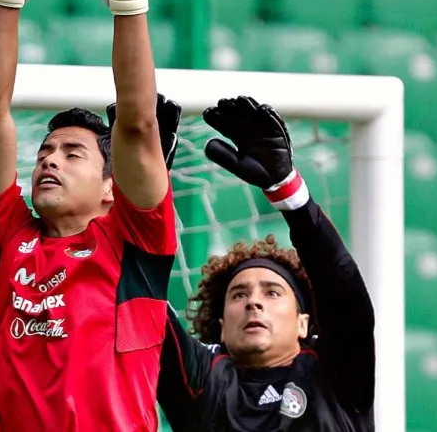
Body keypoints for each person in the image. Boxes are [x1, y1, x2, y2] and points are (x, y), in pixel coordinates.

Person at [0, 0, 179, 431]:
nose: (50, 159)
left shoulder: (135, 241)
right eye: (46, 151)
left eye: (73, 153)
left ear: (112, 186)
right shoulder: (2, 237)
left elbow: (135, 126)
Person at [157, 96, 376, 432]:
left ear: (305, 325)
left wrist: (288, 193)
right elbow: (137, 298)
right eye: (238, 295)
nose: (253, 302)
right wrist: (141, 186)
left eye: (272, 293)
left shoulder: (335, 375)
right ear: (220, 327)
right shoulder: (204, 381)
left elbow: (340, 286)